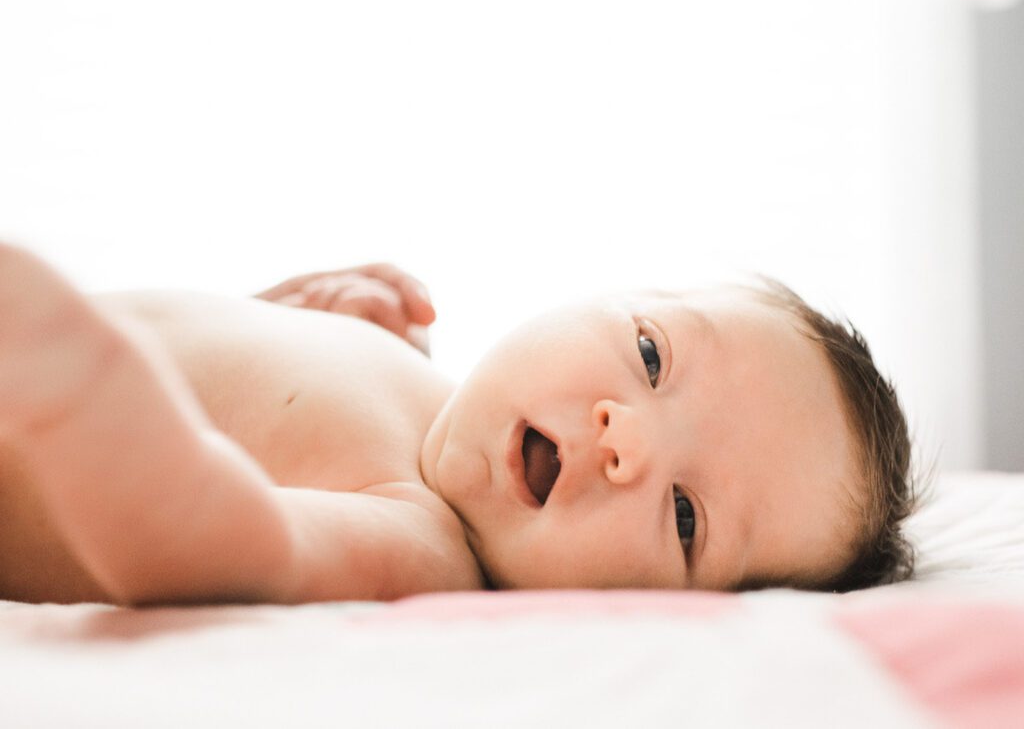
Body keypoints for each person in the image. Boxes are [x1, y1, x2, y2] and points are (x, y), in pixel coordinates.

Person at [0, 242, 917, 605]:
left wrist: (91, 390)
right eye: (649, 358)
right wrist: (288, 317)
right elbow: (224, 380)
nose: (625, 438)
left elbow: (204, 535)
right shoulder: (413, 387)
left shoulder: (419, 541)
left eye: (686, 519)